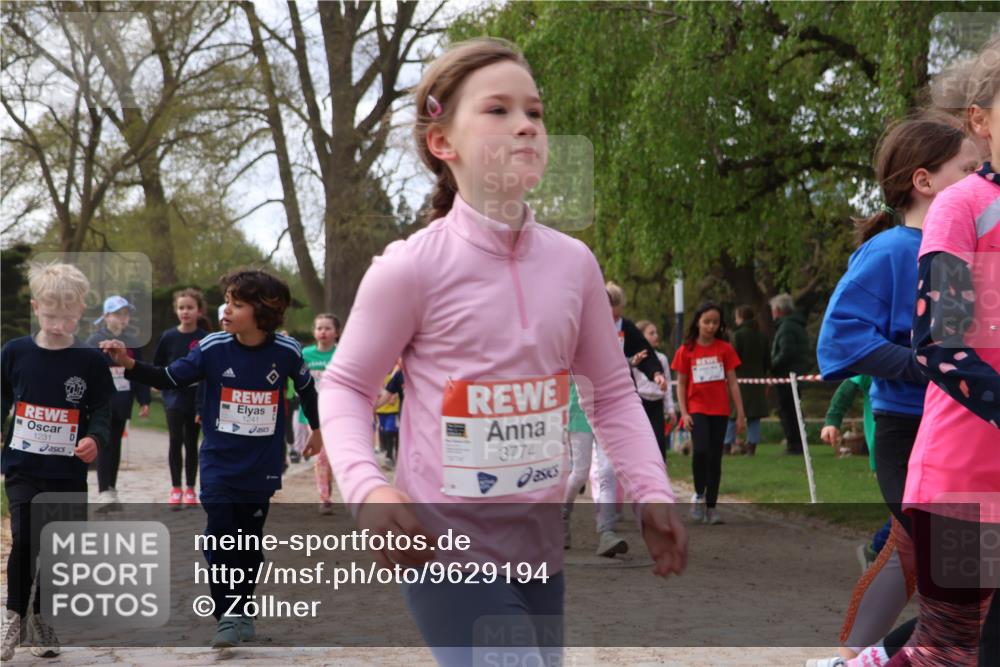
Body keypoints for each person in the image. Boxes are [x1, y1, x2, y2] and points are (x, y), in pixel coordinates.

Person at [319, 37, 686, 666]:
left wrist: (652, 491)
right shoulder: (409, 268)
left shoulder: (574, 265)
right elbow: (347, 386)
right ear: (443, 142)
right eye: (498, 110)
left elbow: (612, 395)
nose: (525, 125)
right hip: (442, 552)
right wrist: (369, 490)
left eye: (535, 113)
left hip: (539, 551)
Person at [809, 115, 981, 666]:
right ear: (924, 181)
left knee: (912, 562)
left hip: (964, 436)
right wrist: (930, 365)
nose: (984, 178)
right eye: (970, 168)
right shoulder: (891, 252)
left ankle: (853, 658)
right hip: (908, 437)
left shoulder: (966, 250)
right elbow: (839, 345)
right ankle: (871, 659)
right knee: (967, 584)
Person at [100, 269, 323, 649]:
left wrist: (317, 431)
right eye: (227, 302)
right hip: (219, 462)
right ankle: (227, 615)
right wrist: (131, 364)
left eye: (237, 304)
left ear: (263, 311)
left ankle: (243, 607)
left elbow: (307, 390)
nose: (226, 309)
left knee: (249, 541)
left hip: (261, 466)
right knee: (219, 537)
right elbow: (170, 377)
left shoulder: (286, 352)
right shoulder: (212, 347)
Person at [1, 262, 115, 661]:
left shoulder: (89, 361)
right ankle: (13, 615)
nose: (58, 323)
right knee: (25, 538)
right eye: (50, 315)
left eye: (67, 316)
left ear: (80, 312)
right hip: (22, 467)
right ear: (36, 308)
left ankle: (41, 616)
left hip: (66, 472)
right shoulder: (15, 352)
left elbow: (102, 408)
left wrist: (94, 438)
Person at [671, 302, 745, 525]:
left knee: (715, 457)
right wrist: (684, 413)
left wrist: (740, 413)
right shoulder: (687, 350)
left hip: (720, 410)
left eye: (715, 322)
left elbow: (732, 383)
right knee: (701, 451)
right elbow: (681, 385)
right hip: (697, 409)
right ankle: (698, 494)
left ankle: (711, 506)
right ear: (697, 322)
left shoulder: (724, 349)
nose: (711, 326)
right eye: (706, 322)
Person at [85, 295, 151, 508]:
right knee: (104, 445)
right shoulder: (94, 342)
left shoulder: (132, 342)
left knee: (116, 445)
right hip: (102, 403)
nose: (122, 318)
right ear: (106, 316)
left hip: (123, 401)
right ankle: (103, 491)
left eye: (126, 313)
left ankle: (112, 488)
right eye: (117, 313)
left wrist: (144, 400)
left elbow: (138, 371)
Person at [153, 288, 210, 507]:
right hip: (173, 398)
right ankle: (175, 488)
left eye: (190, 307)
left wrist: (202, 406)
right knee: (175, 440)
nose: (185, 312)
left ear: (199, 311)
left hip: (196, 398)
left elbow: (208, 371)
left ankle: (190, 489)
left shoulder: (204, 338)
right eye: (181, 308)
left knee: (191, 443)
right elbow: (158, 364)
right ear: (176, 310)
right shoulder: (168, 336)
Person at [297, 313, 338, 514]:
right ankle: (325, 498)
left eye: (327, 328)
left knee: (333, 456)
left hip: (338, 413)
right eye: (319, 328)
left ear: (336, 332)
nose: (323, 332)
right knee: (321, 455)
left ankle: (328, 482)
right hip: (312, 413)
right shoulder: (305, 355)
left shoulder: (342, 355)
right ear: (314, 332)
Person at [724, 305, 769, 455]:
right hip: (757, 382)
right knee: (754, 417)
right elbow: (767, 361)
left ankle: (726, 445)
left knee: (733, 413)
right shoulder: (762, 336)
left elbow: (732, 359)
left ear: (741, 318)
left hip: (739, 381)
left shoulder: (738, 336)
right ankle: (751, 447)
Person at [769, 293, 810, 454]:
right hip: (795, 373)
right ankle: (797, 443)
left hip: (786, 376)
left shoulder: (786, 327)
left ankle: (794, 444)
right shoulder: (796, 325)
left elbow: (786, 352)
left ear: (778, 310)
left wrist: (772, 366)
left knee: (788, 411)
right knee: (794, 410)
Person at [633, 319, 676, 459]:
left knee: (658, 441)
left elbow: (667, 384)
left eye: (656, 333)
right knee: (641, 442)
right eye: (651, 333)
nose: (656, 336)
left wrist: (670, 408)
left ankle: (660, 475)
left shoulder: (662, 359)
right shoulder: (635, 359)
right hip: (640, 404)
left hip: (657, 403)